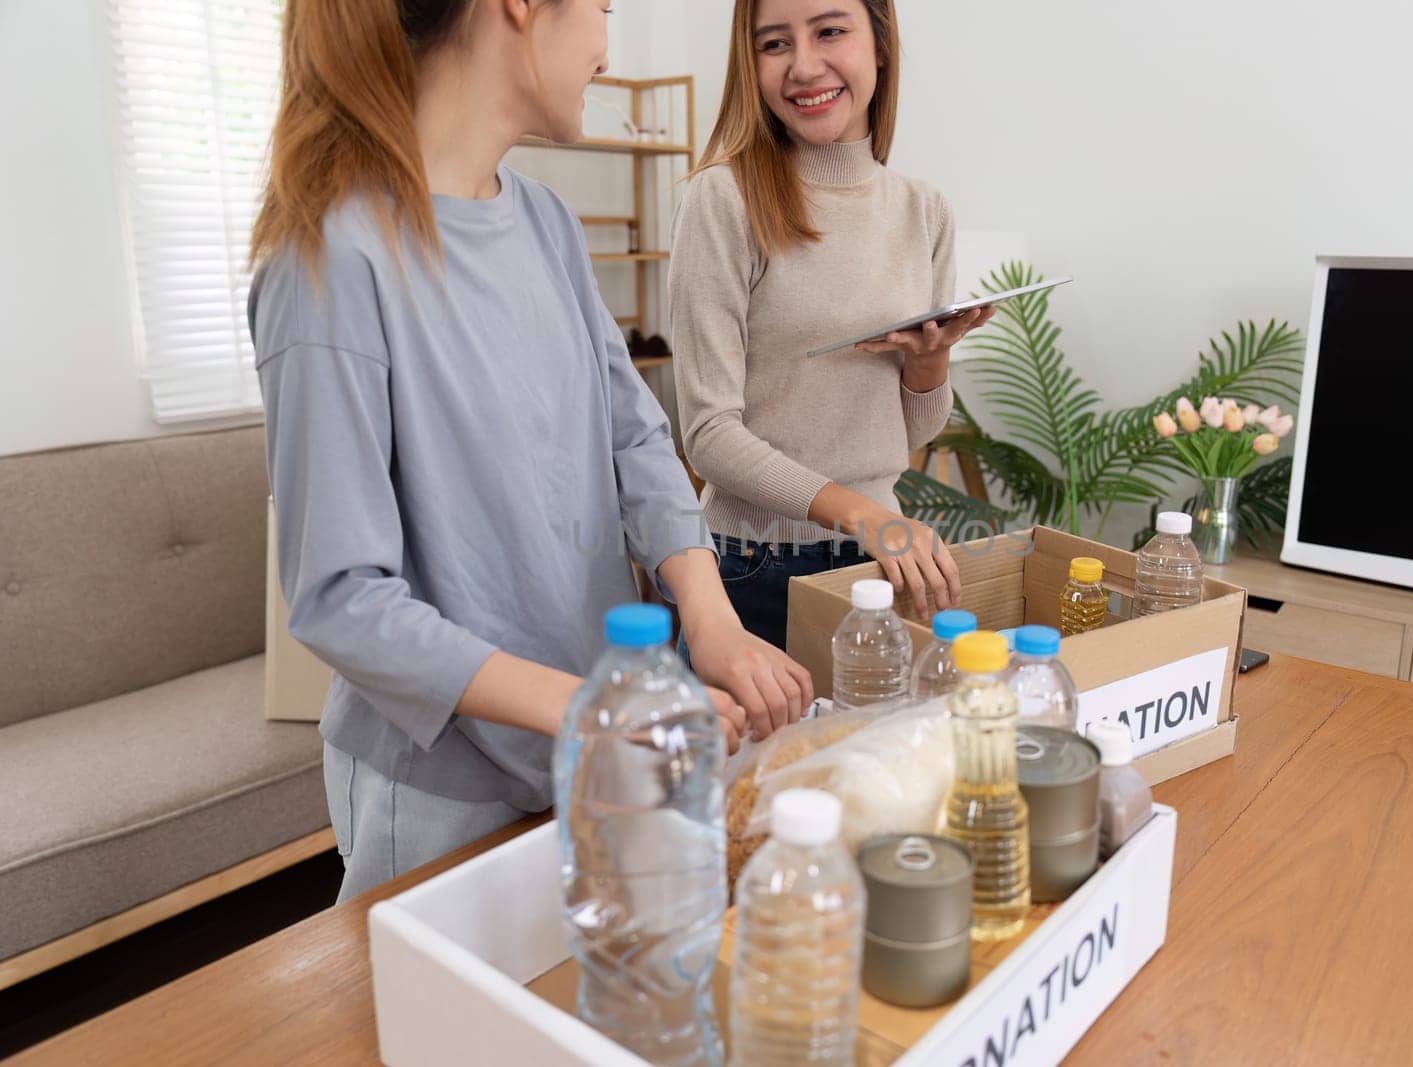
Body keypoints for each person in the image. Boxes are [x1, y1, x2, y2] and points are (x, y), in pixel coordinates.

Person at [248, 0, 811, 902]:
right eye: (603, 6)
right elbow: (339, 597)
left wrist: (710, 620)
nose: (604, 40)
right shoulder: (330, 259)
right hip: (443, 788)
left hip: (589, 755)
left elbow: (635, 435)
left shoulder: (544, 221)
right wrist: (587, 709)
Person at [668, 0, 993, 654]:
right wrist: (864, 515)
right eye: (774, 44)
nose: (803, 66)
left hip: (879, 566)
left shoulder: (923, 209)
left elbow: (909, 436)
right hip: (753, 567)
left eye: (829, 31)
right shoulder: (723, 198)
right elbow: (708, 434)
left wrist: (929, 364)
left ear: (879, 44)